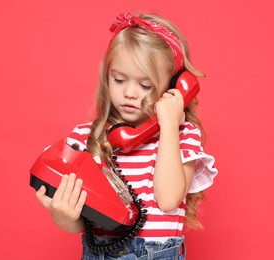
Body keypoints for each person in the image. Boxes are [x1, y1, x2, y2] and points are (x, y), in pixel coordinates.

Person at [35, 12, 218, 259]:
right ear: (107, 76)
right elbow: (81, 222)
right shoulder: (85, 138)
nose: (130, 93)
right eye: (119, 80)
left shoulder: (182, 136)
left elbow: (168, 199)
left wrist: (167, 124)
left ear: (173, 87)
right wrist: (62, 216)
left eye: (145, 85)